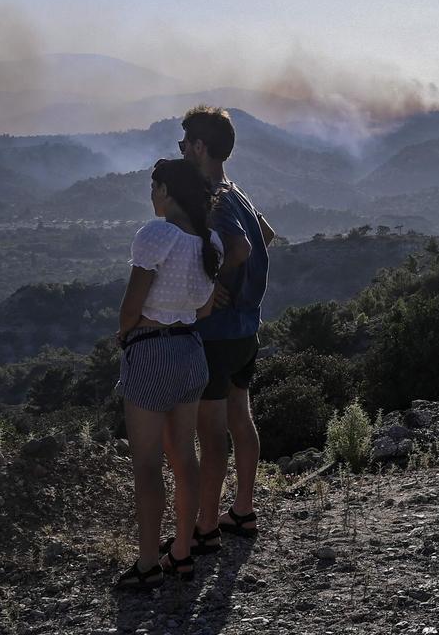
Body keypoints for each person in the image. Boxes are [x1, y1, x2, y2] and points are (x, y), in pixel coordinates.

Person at [113, 159, 223, 590]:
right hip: (190, 351)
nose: (152, 196)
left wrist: (124, 334)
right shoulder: (208, 241)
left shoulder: (156, 235)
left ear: (166, 191)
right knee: (184, 456)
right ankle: (181, 553)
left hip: (151, 350)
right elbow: (205, 309)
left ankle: (146, 564)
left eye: (154, 187)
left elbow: (130, 306)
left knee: (146, 464)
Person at [179, 106, 275, 553]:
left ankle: (204, 527)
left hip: (217, 333)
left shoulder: (212, 196)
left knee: (212, 431)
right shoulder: (236, 191)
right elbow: (266, 234)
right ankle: (242, 509)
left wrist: (213, 285)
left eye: (183, 144)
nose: (181, 151)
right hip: (247, 328)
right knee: (241, 416)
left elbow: (239, 245)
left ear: (199, 147)